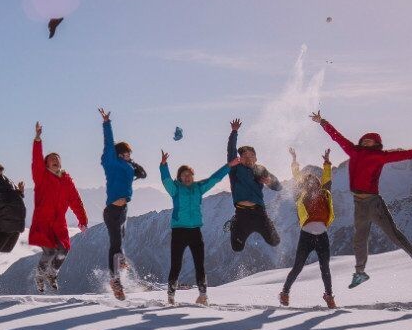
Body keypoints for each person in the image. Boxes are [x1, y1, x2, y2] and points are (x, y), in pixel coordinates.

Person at [312, 111, 412, 286]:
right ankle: (360, 273)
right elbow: (337, 137)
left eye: (370, 140)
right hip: (358, 203)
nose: (366, 141)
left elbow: (409, 154)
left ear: (377, 144)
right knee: (359, 240)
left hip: (373, 203)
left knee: (394, 236)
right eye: (364, 140)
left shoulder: (380, 156)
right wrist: (322, 122)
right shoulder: (353, 150)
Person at [160, 151, 237, 305]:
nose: (187, 177)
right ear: (180, 177)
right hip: (179, 232)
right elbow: (166, 180)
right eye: (184, 175)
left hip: (195, 231)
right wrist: (163, 165)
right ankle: (171, 295)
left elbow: (214, 179)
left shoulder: (199, 188)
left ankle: (203, 296)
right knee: (176, 265)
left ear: (193, 176)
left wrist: (229, 166)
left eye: (189, 175)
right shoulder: (175, 189)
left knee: (199, 265)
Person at [28, 122, 86, 292]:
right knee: (49, 251)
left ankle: (52, 273)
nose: (55, 161)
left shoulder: (67, 181)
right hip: (43, 221)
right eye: (52, 159)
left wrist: (82, 220)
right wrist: (37, 139)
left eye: (57, 159)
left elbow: (76, 201)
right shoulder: (41, 177)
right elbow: (36, 161)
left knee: (63, 250)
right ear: (46, 165)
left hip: (59, 223)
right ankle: (40, 276)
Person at [97, 108, 147, 300]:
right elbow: (108, 143)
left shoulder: (128, 166)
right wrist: (106, 123)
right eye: (126, 153)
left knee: (120, 239)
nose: (129, 155)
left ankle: (121, 260)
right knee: (115, 243)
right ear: (119, 154)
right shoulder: (111, 162)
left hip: (124, 209)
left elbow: (143, 174)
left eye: (129, 153)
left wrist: (135, 167)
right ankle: (115, 280)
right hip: (112, 210)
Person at [281, 147, 336, 308]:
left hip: (322, 236)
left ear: (318, 183)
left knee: (325, 268)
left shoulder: (324, 193)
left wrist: (327, 163)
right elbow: (296, 176)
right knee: (298, 267)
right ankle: (285, 292)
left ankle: (329, 296)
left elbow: (327, 179)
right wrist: (294, 160)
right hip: (306, 236)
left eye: (315, 181)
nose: (312, 183)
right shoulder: (302, 195)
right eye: (309, 182)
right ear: (305, 185)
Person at [226, 119, 283, 252]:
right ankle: (234, 225)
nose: (248, 158)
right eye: (245, 156)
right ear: (240, 159)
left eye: (251, 156)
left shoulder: (260, 169)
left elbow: (278, 187)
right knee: (237, 248)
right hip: (242, 215)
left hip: (259, 214)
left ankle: (267, 223)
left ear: (256, 158)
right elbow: (231, 151)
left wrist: (270, 181)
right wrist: (234, 132)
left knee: (275, 241)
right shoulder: (235, 169)